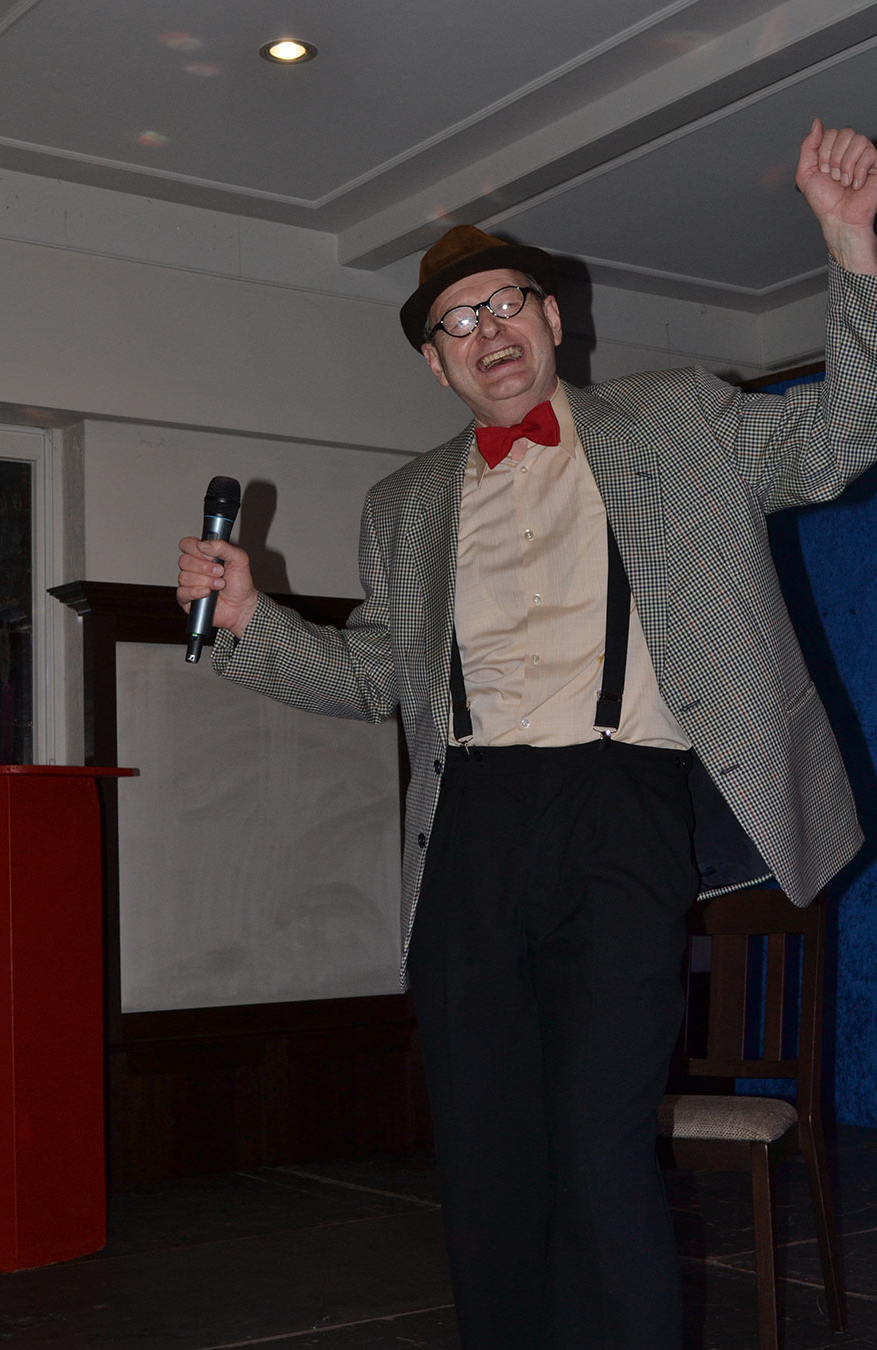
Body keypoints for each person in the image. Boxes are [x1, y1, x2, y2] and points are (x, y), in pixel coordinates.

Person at [177, 118, 877, 1349]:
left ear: (553, 319)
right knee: (487, 1144)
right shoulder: (404, 506)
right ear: (435, 366)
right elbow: (376, 679)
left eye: (507, 304)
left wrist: (851, 248)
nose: (489, 331)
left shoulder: (679, 417)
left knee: (601, 1138)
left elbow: (845, 437)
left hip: (626, 810)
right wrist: (249, 619)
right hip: (473, 828)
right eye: (459, 323)